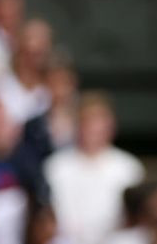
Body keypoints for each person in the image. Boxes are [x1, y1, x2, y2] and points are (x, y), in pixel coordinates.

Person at [45, 93, 145, 244]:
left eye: (99, 121)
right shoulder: (55, 166)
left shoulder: (129, 167)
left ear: (111, 125)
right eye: (87, 121)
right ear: (76, 124)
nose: (93, 128)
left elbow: (134, 219)